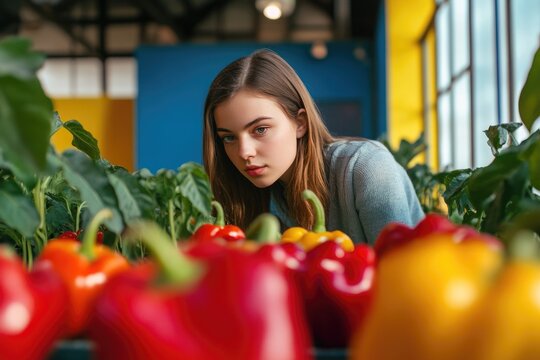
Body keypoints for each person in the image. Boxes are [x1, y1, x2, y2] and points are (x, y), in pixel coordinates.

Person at [202, 49, 424, 245]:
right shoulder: (253, 193)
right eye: (229, 138)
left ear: (300, 123)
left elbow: (404, 277)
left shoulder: (368, 168)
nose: (244, 152)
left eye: (260, 129)